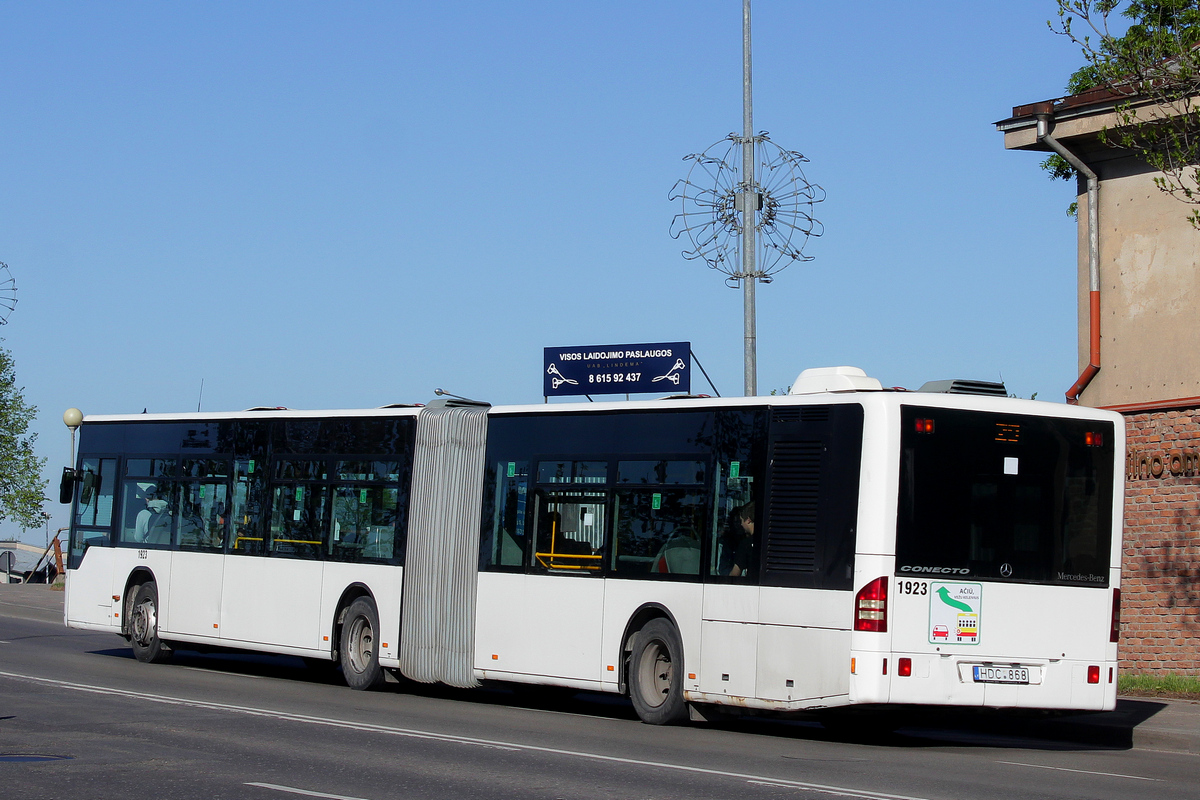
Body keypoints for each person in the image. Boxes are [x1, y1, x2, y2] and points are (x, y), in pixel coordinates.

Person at [728, 502, 755, 577]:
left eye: (741, 520)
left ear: (748, 520)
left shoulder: (746, 544)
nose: (741, 524)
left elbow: (734, 574)